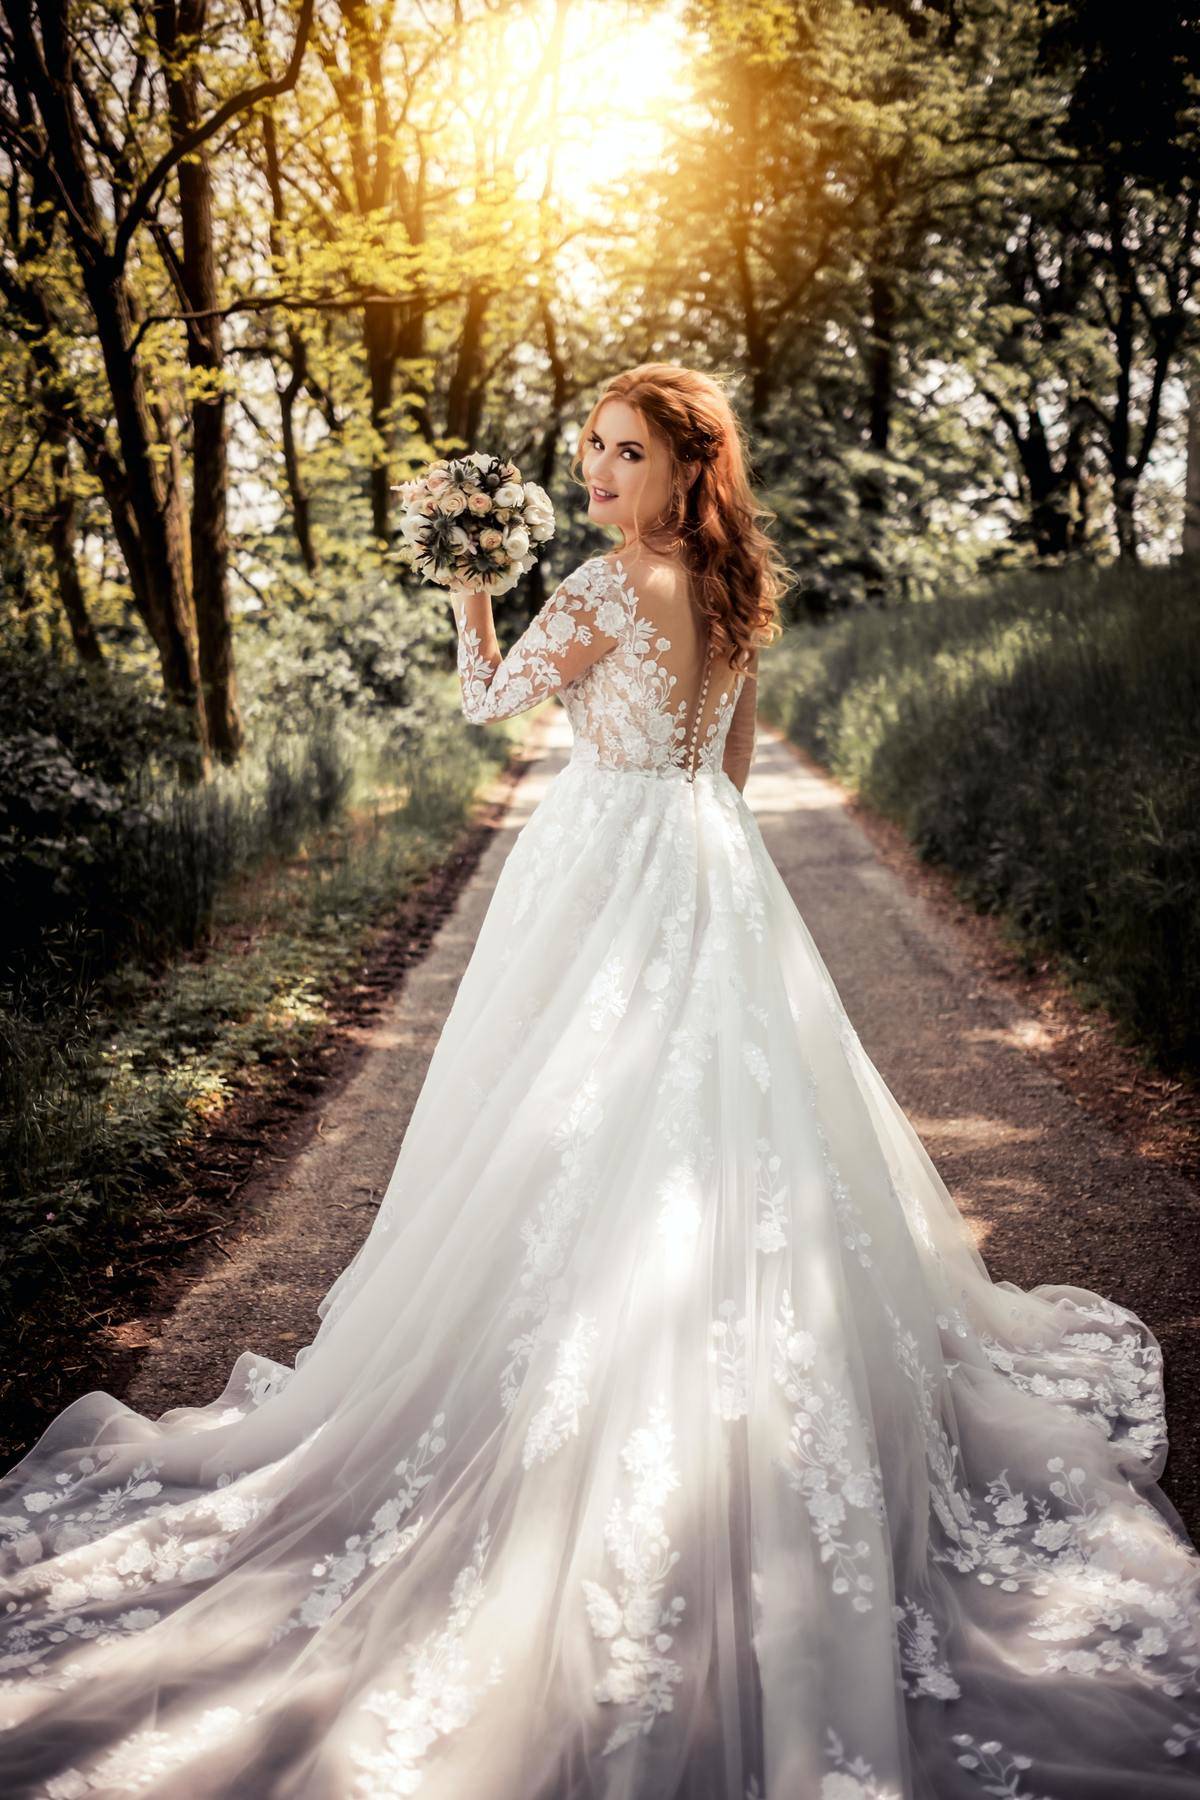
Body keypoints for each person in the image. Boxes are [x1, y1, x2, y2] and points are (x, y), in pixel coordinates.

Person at [1, 363, 1199, 1800]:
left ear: (685, 467)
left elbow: (485, 704)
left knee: (569, 1120)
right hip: (708, 864)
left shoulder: (603, 583)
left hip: (603, 861)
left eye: (624, 452)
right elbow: (731, 766)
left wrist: (468, 593)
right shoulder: (735, 584)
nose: (595, 472)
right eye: (590, 448)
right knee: (732, 1127)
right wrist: (695, 863)